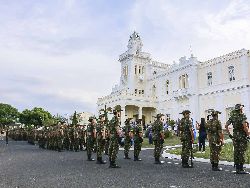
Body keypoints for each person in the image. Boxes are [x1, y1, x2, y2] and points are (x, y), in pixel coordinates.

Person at [225, 104, 250, 174]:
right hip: (242, 136)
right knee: (241, 152)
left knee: (236, 151)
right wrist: (248, 135)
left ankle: (237, 168)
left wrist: (229, 134)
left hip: (235, 136)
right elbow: (245, 126)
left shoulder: (232, 116)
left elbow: (226, 125)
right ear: (240, 109)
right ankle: (241, 169)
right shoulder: (242, 116)